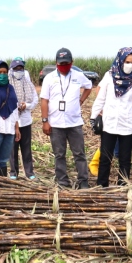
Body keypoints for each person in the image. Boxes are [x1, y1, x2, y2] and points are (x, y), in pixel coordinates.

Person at [90, 47, 132, 187]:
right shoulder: (109, 76)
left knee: (125, 159)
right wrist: (93, 117)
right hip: (109, 124)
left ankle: (123, 187)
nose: (130, 65)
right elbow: (100, 99)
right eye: (127, 61)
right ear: (120, 60)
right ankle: (102, 186)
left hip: (128, 125)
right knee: (105, 158)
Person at [40, 48, 92, 189]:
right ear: (56, 63)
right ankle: (63, 182)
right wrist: (45, 121)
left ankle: (83, 181)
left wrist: (80, 101)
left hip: (74, 122)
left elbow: (89, 86)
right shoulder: (49, 78)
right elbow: (44, 100)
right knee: (59, 154)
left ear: (72, 62)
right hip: (56, 123)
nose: (64, 66)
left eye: (66, 63)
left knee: (79, 153)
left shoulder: (78, 75)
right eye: (61, 64)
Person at [8, 58, 38, 180]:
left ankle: (29, 172)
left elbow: (35, 100)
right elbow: (7, 101)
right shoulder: (8, 85)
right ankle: (13, 172)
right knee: (12, 148)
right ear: (12, 70)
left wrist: (27, 105)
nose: (18, 71)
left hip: (25, 121)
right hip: (11, 121)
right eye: (16, 69)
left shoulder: (28, 83)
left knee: (26, 148)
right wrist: (17, 106)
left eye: (21, 69)